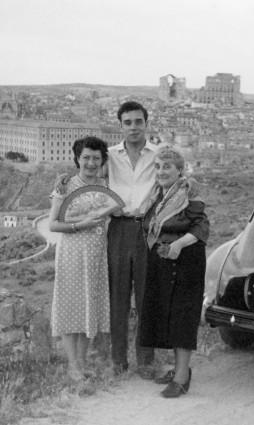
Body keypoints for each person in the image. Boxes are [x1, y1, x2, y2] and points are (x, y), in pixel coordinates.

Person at [139, 147, 209, 398]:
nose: (161, 172)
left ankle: (181, 378)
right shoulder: (157, 194)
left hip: (185, 260)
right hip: (162, 260)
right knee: (167, 315)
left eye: (167, 167)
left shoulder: (189, 191)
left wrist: (178, 245)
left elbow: (201, 226)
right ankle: (179, 369)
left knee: (182, 315)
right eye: (157, 167)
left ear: (179, 170)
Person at [48, 136, 113, 380]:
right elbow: (53, 224)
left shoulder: (106, 186)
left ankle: (83, 362)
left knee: (89, 308)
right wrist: (80, 224)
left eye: (96, 158)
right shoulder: (64, 186)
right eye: (86, 157)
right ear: (77, 158)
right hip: (72, 253)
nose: (91, 163)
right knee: (69, 306)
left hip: (97, 255)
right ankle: (73, 365)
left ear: (103, 160)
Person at [107, 101, 159, 378]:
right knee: (118, 298)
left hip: (147, 229)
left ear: (146, 124)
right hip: (118, 229)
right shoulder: (109, 155)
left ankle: (146, 361)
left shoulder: (158, 155)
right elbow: (87, 175)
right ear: (121, 126)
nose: (133, 127)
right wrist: (63, 184)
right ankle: (118, 361)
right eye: (128, 123)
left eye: (138, 121)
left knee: (145, 297)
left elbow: (178, 181)